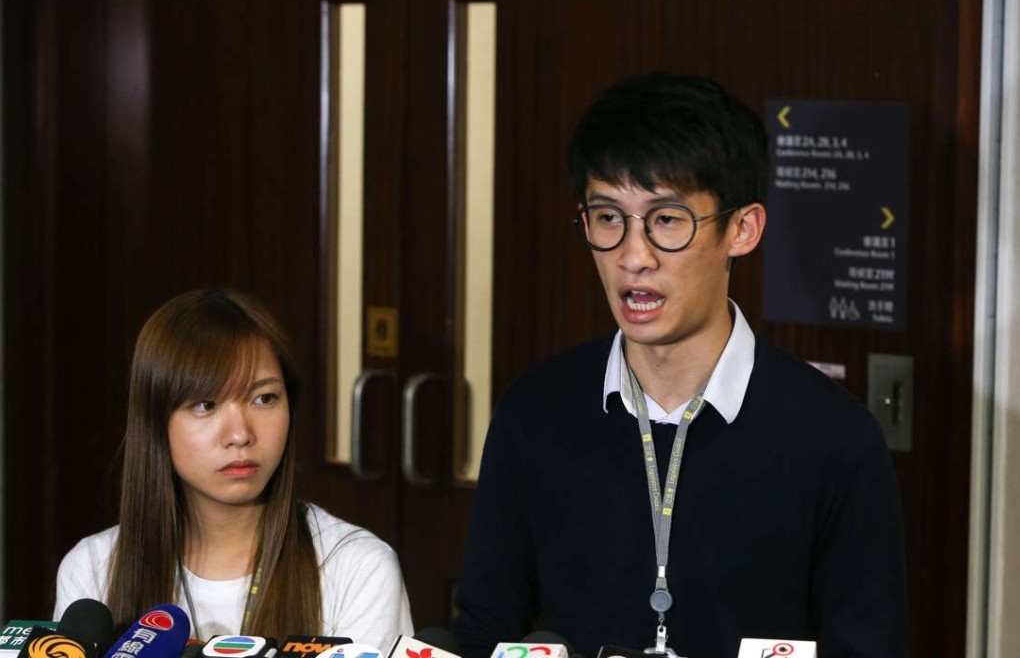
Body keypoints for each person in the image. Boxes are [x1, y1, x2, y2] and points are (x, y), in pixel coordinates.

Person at [450, 72, 908, 658]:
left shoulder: (834, 437)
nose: (633, 257)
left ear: (742, 229)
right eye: (608, 218)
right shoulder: (535, 412)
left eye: (667, 220)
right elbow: (485, 627)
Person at [54, 289, 413, 647]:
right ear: (155, 421)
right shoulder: (94, 569)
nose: (240, 434)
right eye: (206, 405)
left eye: (264, 398)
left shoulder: (357, 567)